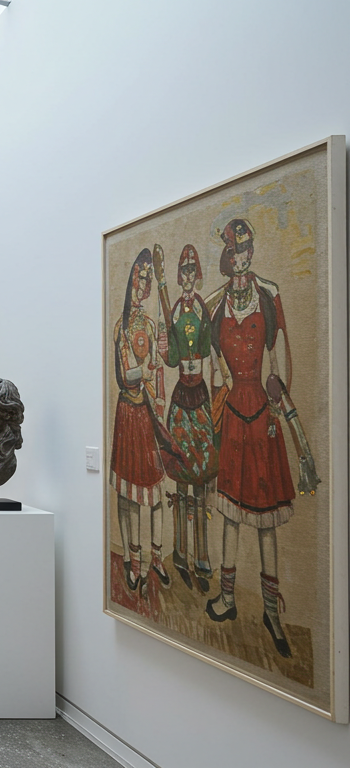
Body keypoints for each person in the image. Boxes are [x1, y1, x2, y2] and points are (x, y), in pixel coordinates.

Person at [204, 219, 302, 658]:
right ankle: (226, 599)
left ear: (252, 251)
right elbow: (211, 360)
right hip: (233, 414)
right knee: (229, 513)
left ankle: (270, 610)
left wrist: (280, 383)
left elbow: (279, 348)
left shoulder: (268, 293)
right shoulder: (215, 305)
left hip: (261, 413)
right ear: (227, 256)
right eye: (233, 250)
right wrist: (219, 387)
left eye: (245, 249)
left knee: (263, 515)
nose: (240, 256)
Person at [156, 244, 218, 593]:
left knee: (201, 481)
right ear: (179, 276)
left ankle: (202, 556)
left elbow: (207, 346)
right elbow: (173, 356)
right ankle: (180, 552)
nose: (189, 276)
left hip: (200, 397)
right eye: (184, 271)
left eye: (193, 271)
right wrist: (167, 348)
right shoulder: (176, 309)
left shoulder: (202, 309)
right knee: (182, 479)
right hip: (181, 396)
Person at [109, 249, 170, 594]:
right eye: (139, 277)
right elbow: (126, 375)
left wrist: (157, 392)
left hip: (147, 413)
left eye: (147, 279)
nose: (142, 284)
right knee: (128, 492)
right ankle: (134, 562)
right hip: (128, 412)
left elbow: (157, 372)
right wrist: (145, 372)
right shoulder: (122, 325)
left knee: (155, 489)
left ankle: (156, 556)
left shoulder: (149, 324)